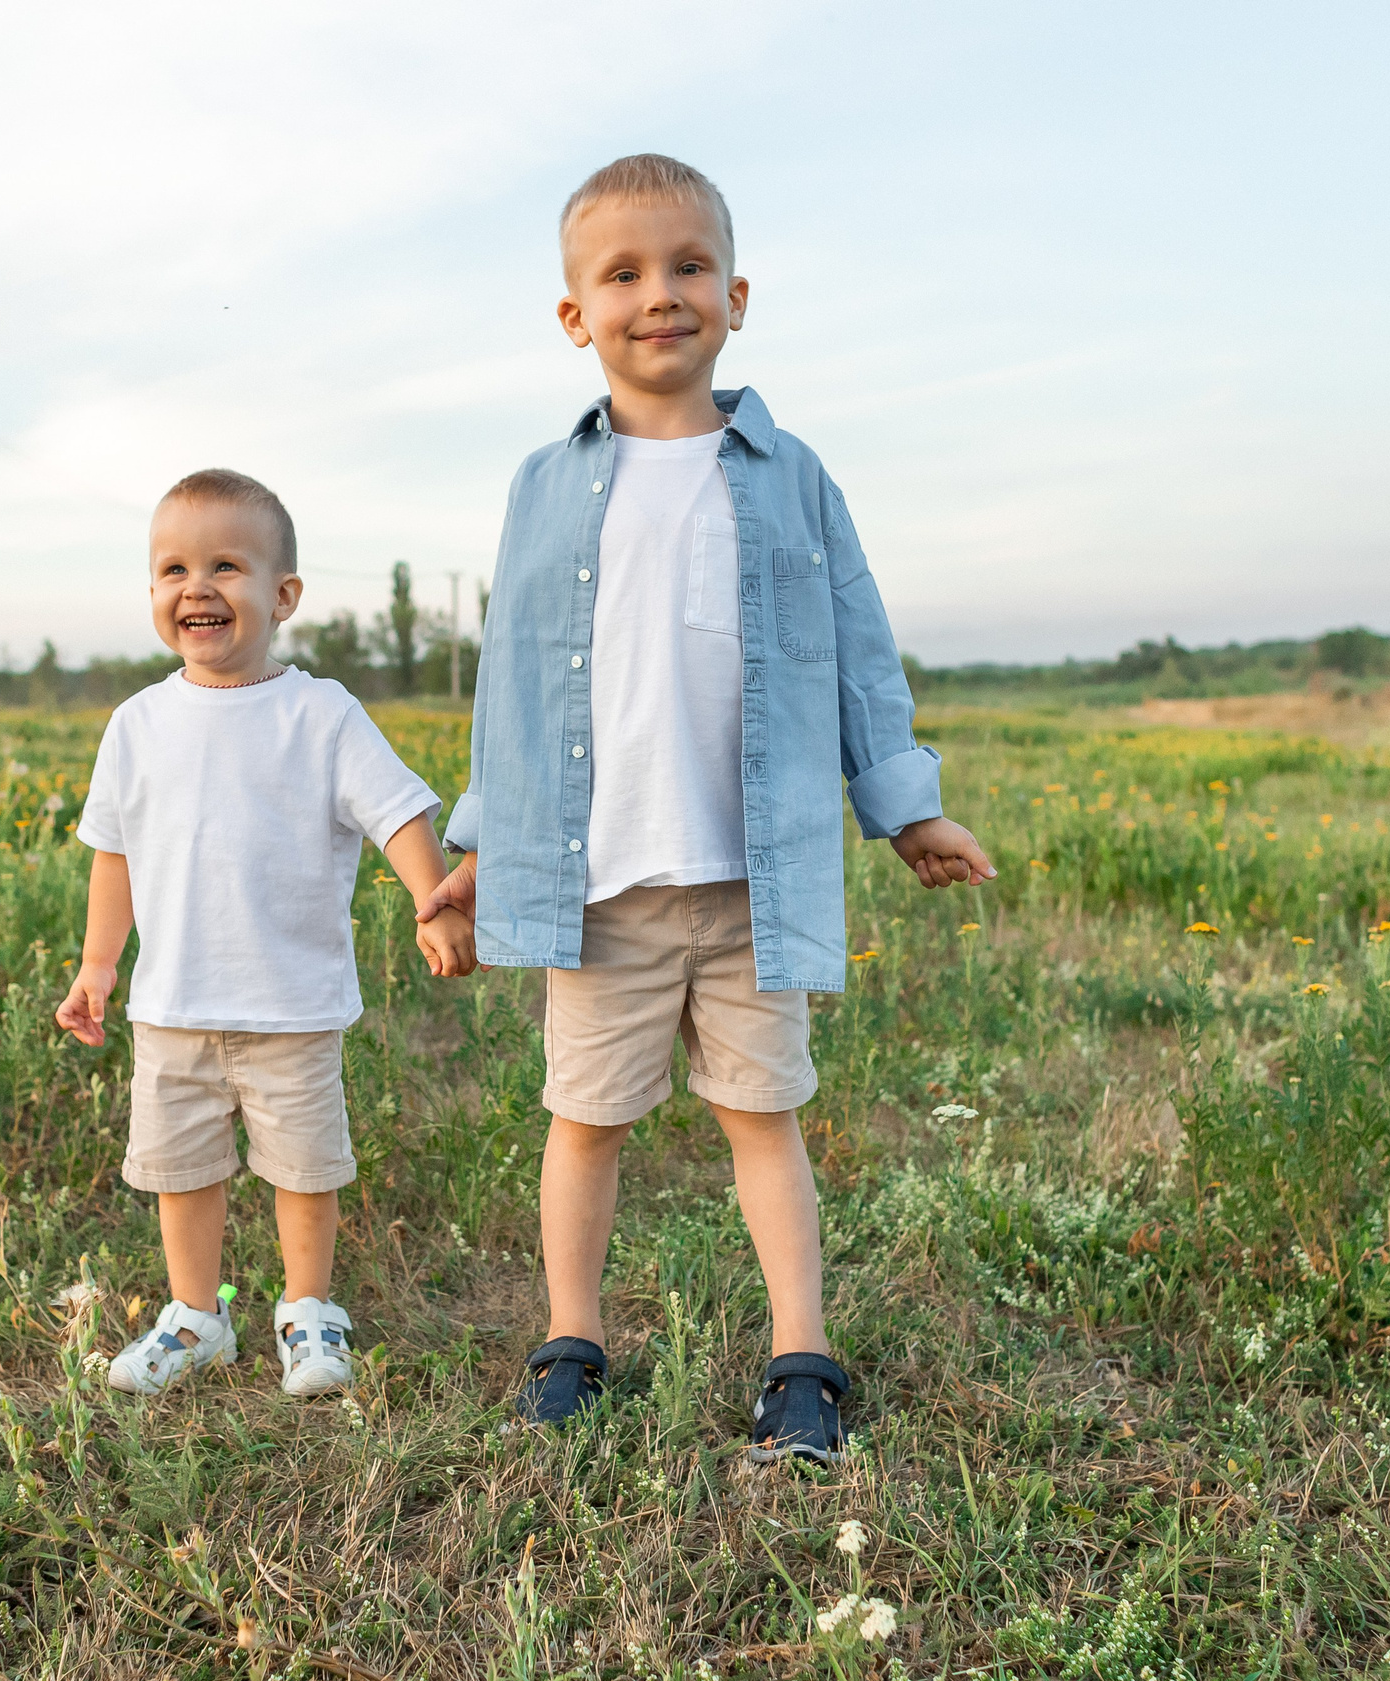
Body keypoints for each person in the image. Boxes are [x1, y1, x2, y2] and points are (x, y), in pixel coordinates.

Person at [418, 154, 992, 1465]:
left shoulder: (789, 474)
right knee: (587, 1120)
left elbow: (858, 645)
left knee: (763, 1117)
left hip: (751, 880)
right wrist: (476, 845)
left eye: (686, 268)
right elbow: (512, 682)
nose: (658, 294)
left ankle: (803, 1359)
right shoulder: (543, 484)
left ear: (734, 295)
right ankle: (571, 1340)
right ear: (576, 316)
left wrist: (906, 807)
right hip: (598, 884)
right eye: (622, 273)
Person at [58, 468, 476, 1400]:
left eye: (226, 566)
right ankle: (196, 1315)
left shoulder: (320, 713)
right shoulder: (137, 724)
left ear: (282, 596)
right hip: (172, 1005)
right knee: (182, 1170)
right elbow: (113, 853)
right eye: (172, 568)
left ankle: (307, 1310)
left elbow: (399, 812)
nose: (196, 586)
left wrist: (432, 900)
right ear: (153, 594)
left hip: (291, 1003)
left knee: (302, 1166)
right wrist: (97, 965)